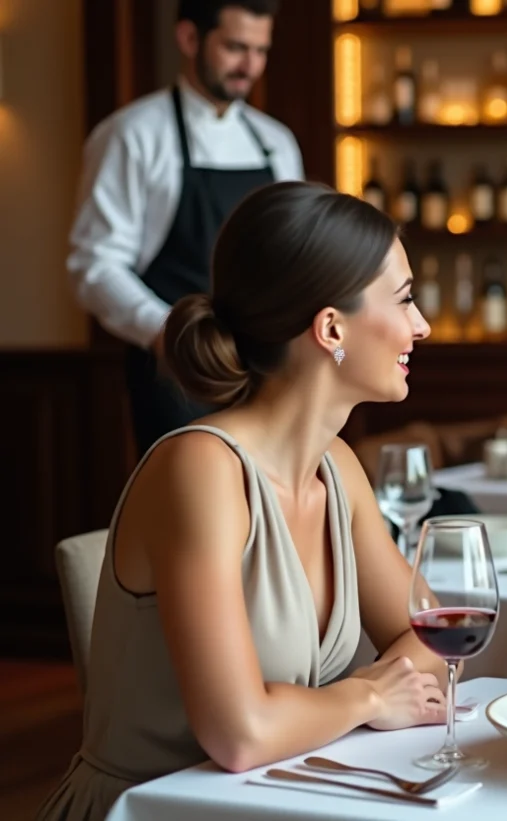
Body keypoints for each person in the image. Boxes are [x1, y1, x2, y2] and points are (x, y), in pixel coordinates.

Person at [38, 181, 444, 821]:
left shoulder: (337, 467)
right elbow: (240, 734)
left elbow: (434, 637)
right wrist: (367, 697)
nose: (422, 324)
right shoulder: (200, 468)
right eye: (404, 299)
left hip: (283, 799)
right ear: (331, 326)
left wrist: (329, 703)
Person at [67, 0, 304, 456]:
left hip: (269, 369)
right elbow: (94, 265)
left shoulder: (276, 143)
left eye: (260, 50)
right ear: (189, 38)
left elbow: (293, 257)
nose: (249, 66)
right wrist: (166, 334)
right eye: (236, 47)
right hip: (178, 375)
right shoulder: (132, 135)